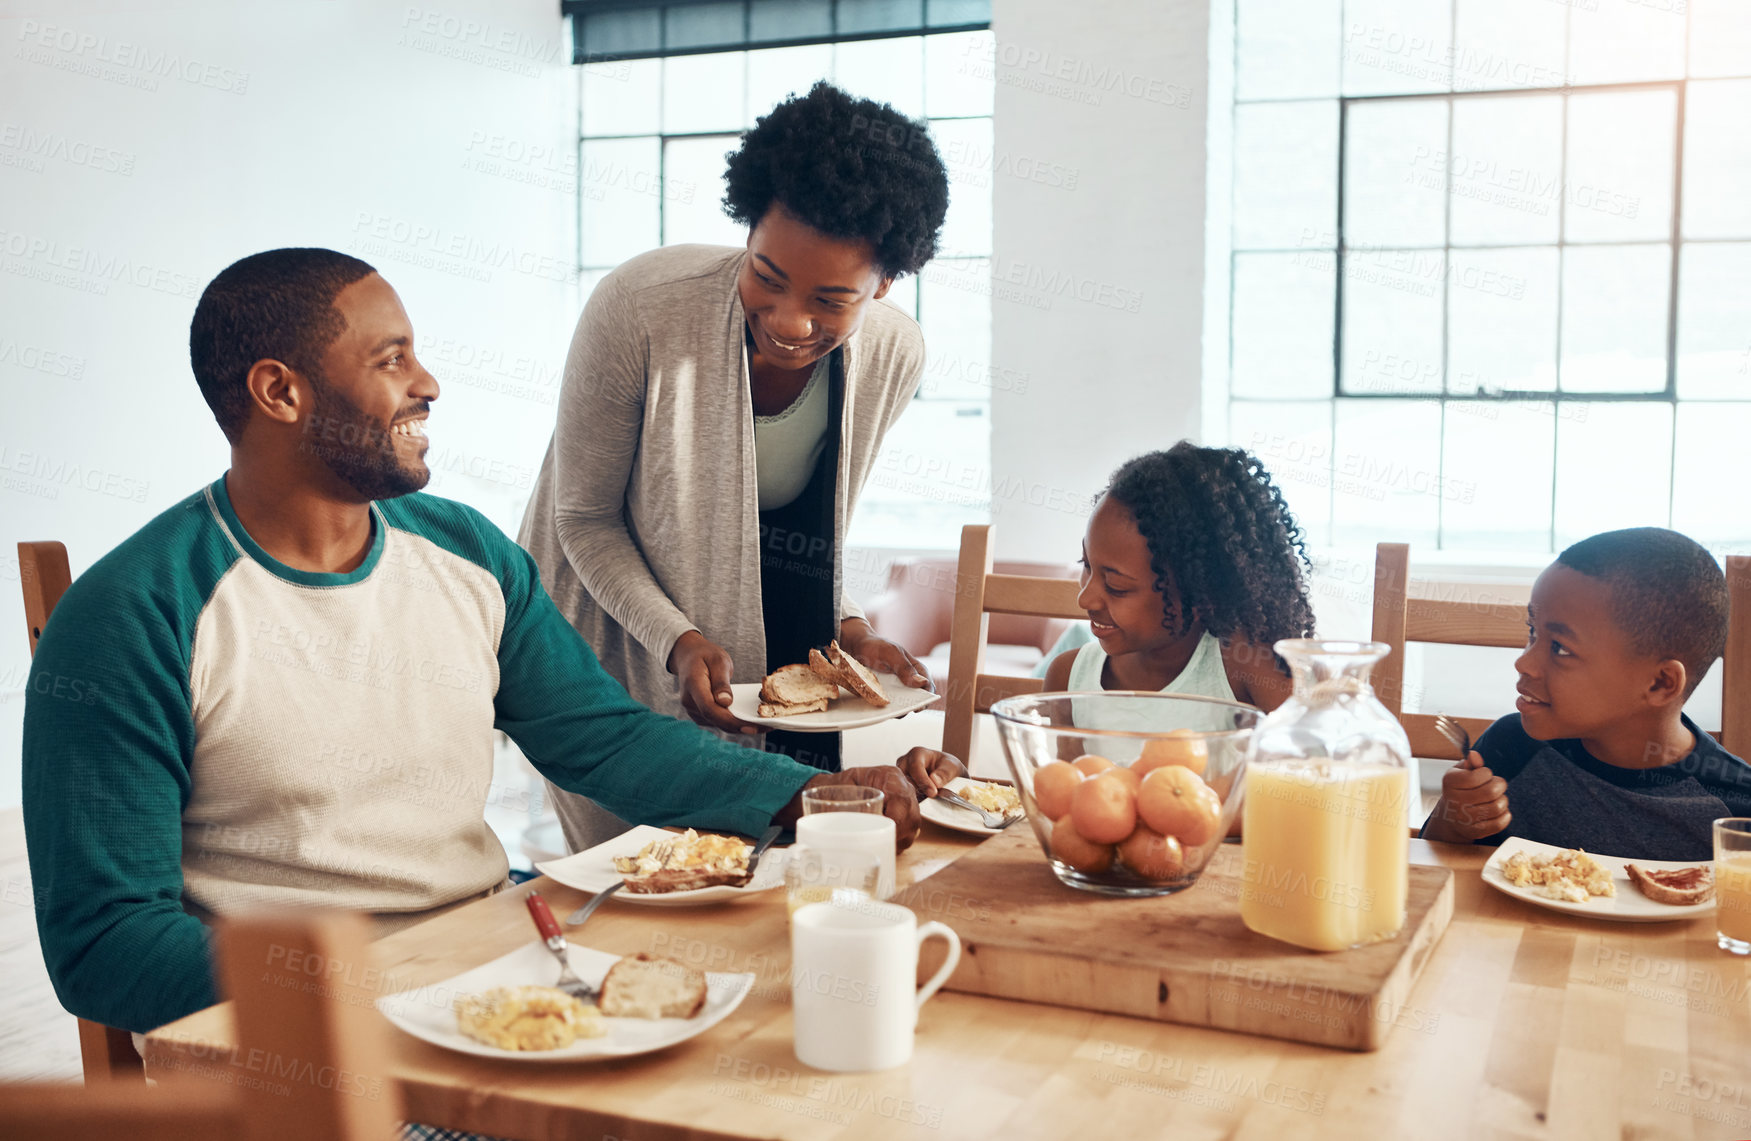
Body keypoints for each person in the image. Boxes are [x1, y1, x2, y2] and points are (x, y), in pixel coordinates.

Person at [21, 248, 960, 1038]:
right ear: (280, 392)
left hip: (490, 971)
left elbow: (604, 737)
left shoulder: (465, 549)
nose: (427, 382)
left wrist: (811, 795)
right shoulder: (132, 616)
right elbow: (106, 946)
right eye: (391, 359)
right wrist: (391, 974)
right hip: (306, 1044)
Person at [518, 81, 952, 851]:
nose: (789, 321)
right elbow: (582, 518)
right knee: (648, 877)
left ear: (884, 284)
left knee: (788, 863)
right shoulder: (641, 308)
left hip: (765, 649)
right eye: (766, 275)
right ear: (746, 230)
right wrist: (678, 639)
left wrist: (847, 626)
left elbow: (794, 531)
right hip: (605, 634)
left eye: (831, 299)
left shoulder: (893, 353)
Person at [1422, 527, 1751, 859]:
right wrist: (1453, 821)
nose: (1524, 662)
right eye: (1533, 632)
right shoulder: (1511, 748)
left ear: (1660, 684)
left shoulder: (1736, 812)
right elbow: (1430, 861)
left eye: (1561, 649)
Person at [1042, 443, 1314, 718]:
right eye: (1086, 565)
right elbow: (1064, 763)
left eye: (1116, 587)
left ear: (1200, 593)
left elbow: (1308, 750)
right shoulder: (1068, 679)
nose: (1085, 598)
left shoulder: (1244, 667)